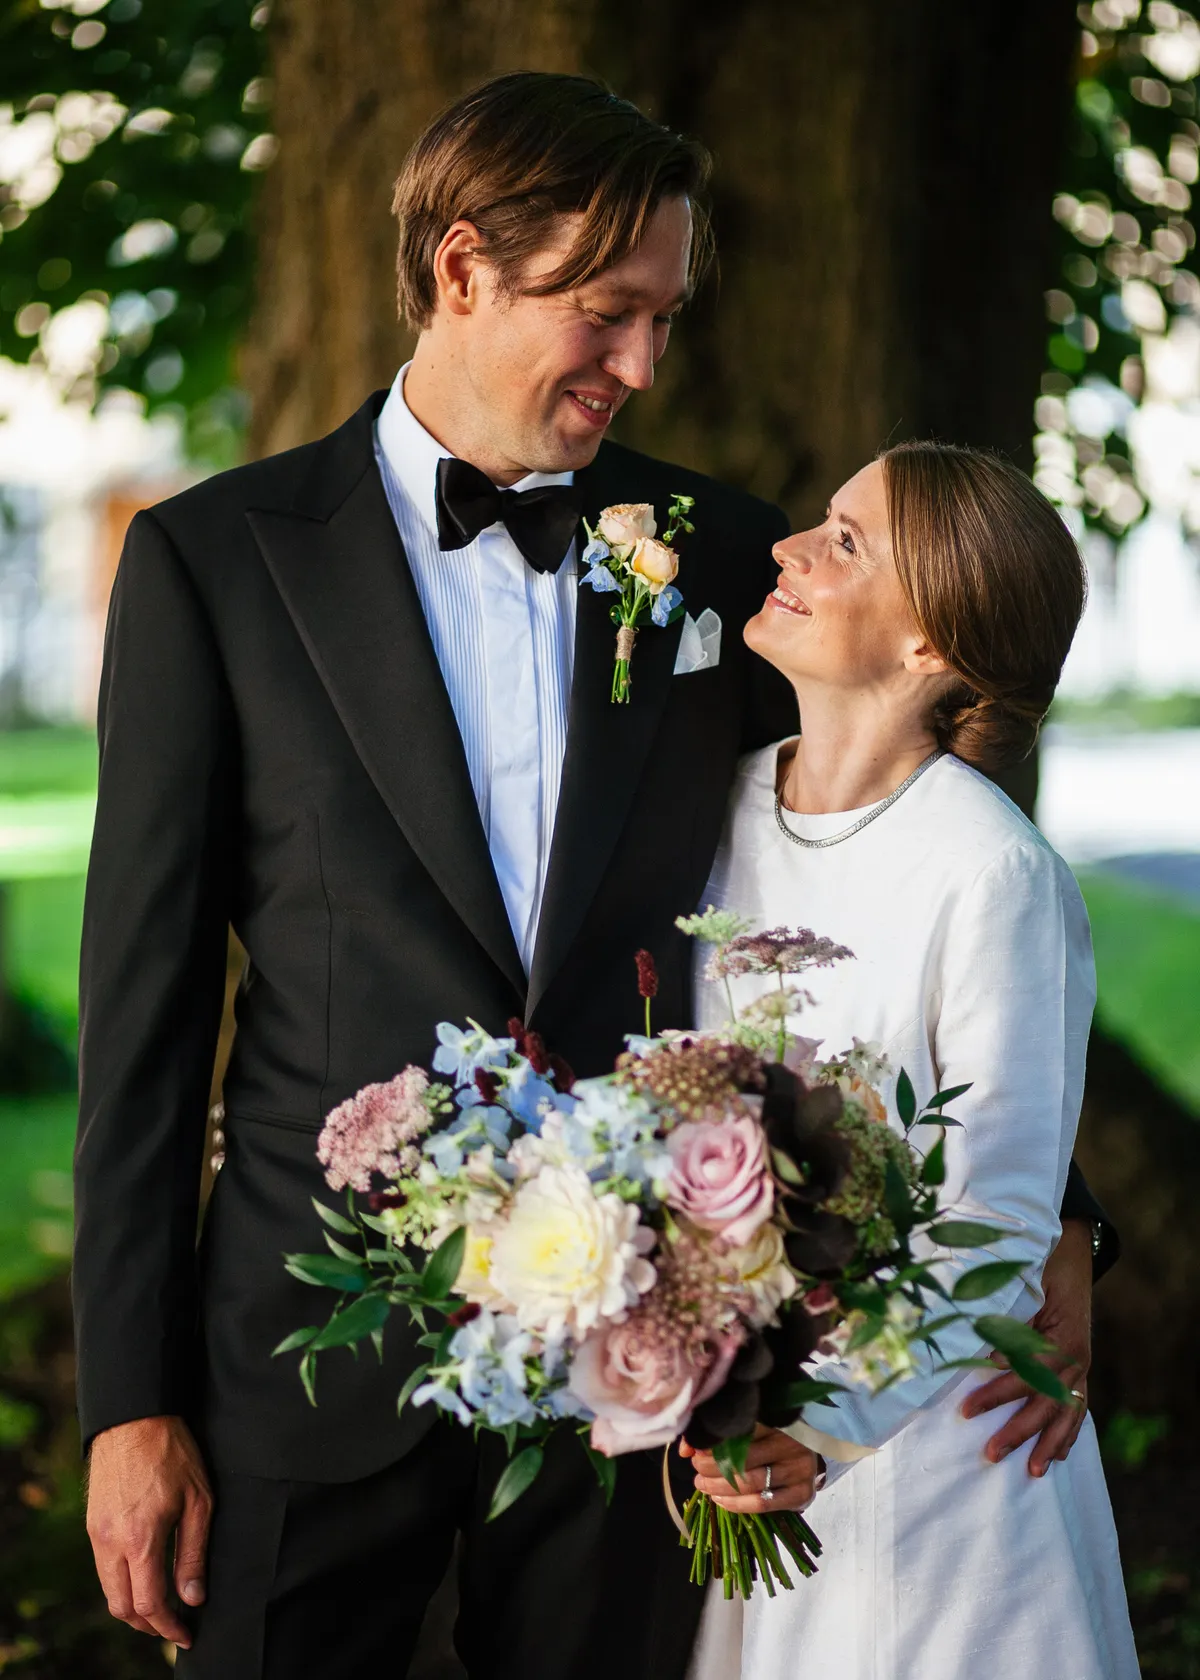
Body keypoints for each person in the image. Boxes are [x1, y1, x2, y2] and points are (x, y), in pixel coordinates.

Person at [73, 74, 1111, 1680]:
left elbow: (874, 857)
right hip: (306, 1356)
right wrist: (128, 1401)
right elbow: (138, 1019)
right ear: (465, 268)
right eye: (606, 312)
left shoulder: (716, 553)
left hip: (645, 1360)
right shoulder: (217, 564)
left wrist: (1056, 1221)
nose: (640, 364)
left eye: (665, 319)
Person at [685, 443, 1138, 1679]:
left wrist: (819, 1428)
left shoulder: (993, 873)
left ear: (930, 643)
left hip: (940, 1476)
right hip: (728, 1449)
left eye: (845, 541)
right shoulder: (705, 816)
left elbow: (995, 1207)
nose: (788, 549)